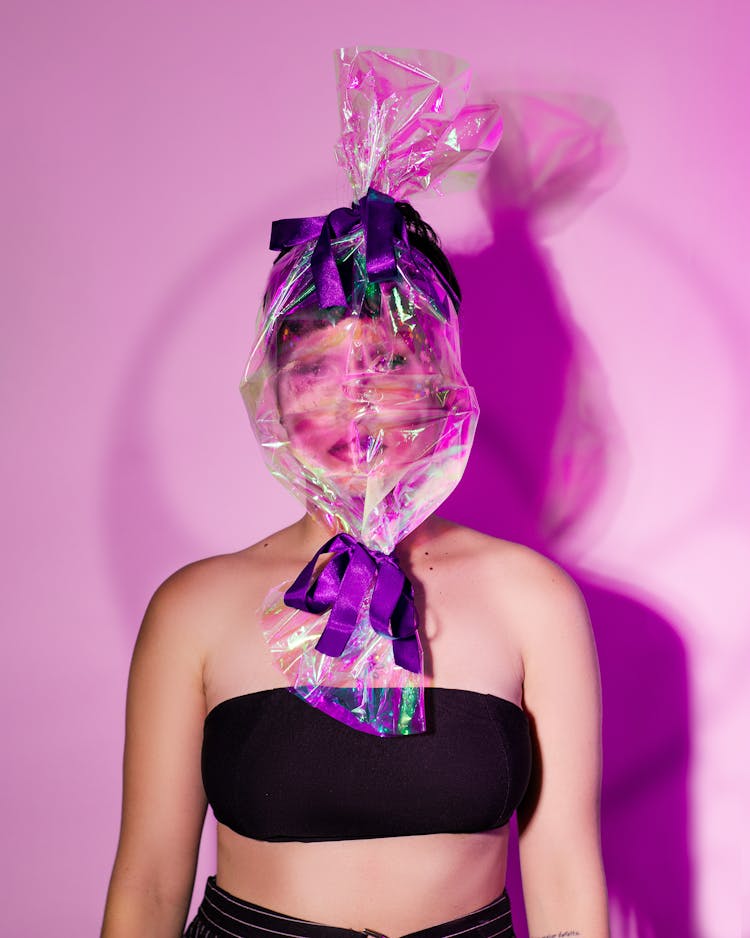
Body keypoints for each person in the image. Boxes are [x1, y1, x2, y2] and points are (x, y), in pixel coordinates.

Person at [101, 47, 609, 938]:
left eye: (388, 360)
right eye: (316, 368)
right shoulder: (194, 607)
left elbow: (564, 872)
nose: (358, 398)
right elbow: (147, 882)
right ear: (273, 391)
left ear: (442, 380)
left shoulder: (533, 599)